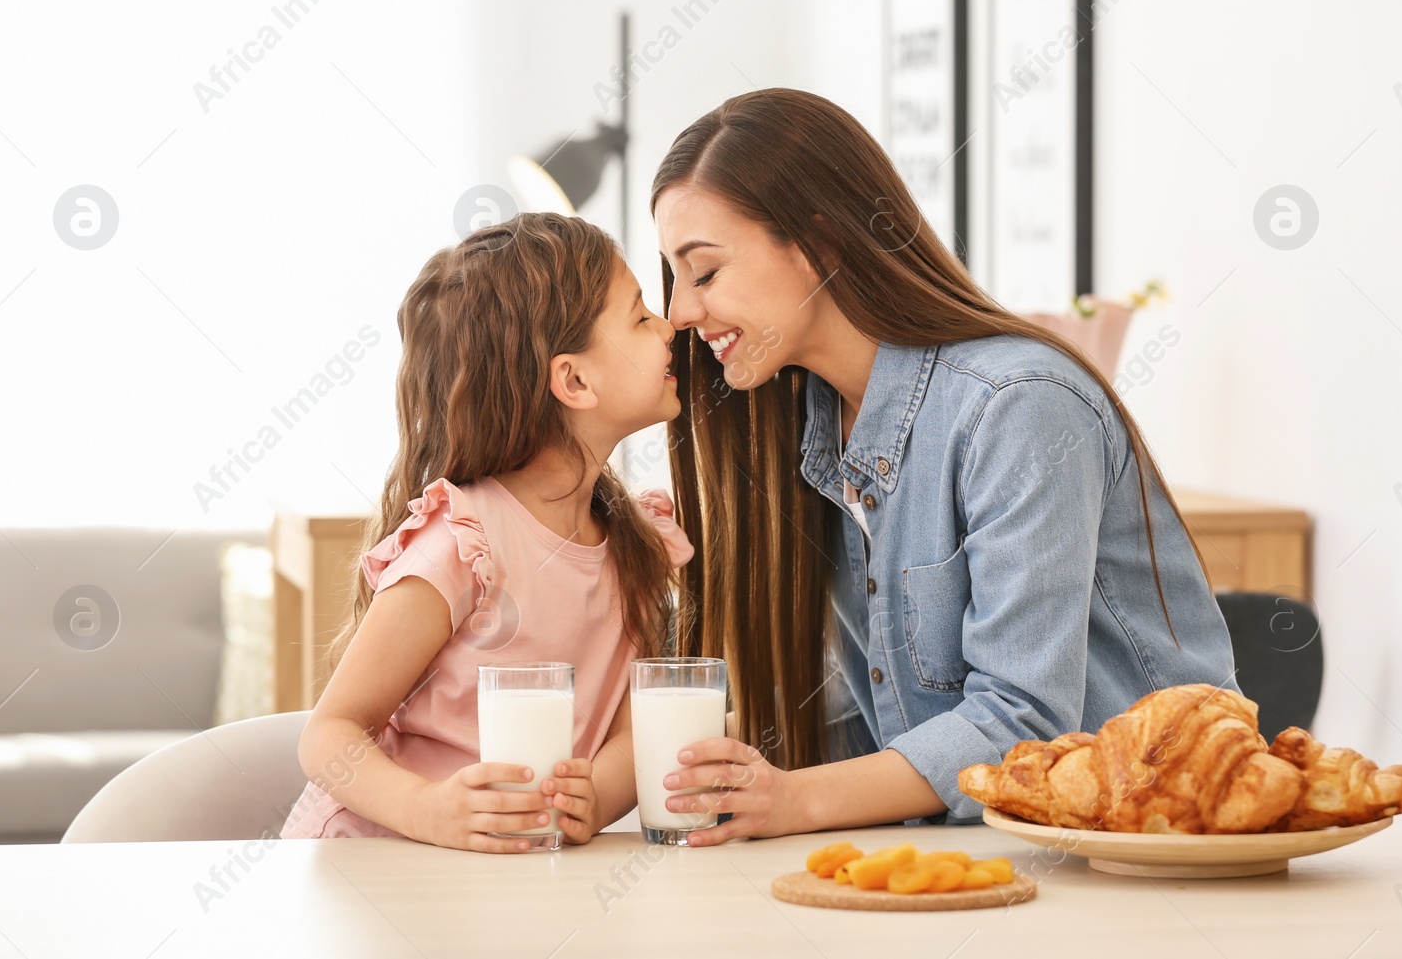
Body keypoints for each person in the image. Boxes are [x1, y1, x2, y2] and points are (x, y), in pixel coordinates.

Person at [649, 88, 1235, 844]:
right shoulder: (816, 427)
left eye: (703, 271)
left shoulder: (1019, 405)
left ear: (821, 245)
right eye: (671, 277)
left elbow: (1023, 729)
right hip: (994, 858)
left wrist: (793, 799)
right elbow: (886, 719)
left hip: (1150, 855)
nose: (679, 315)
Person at [282, 213, 692, 850]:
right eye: (641, 318)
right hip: (378, 865)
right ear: (574, 380)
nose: (669, 328)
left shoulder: (636, 545)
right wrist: (429, 810)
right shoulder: (464, 543)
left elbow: (632, 728)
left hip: (508, 879)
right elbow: (330, 733)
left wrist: (596, 795)